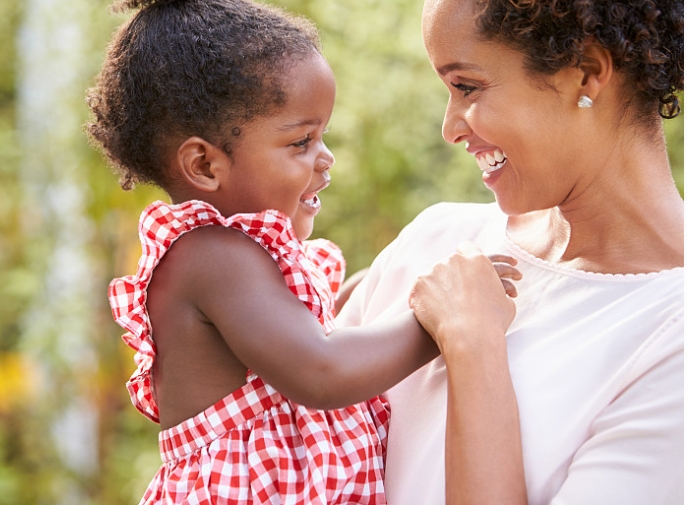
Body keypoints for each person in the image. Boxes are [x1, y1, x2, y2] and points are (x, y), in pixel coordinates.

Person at [86, 0, 519, 503]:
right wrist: (443, 319)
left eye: (323, 135)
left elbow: (301, 336)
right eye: (300, 141)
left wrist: (373, 289)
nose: (325, 157)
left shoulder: (239, 259)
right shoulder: (211, 256)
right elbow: (321, 371)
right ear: (204, 164)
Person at [337, 0, 684, 504]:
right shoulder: (434, 240)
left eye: (467, 87)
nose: (450, 128)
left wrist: (472, 346)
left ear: (585, 74)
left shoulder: (672, 337)